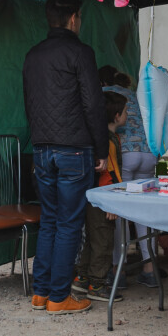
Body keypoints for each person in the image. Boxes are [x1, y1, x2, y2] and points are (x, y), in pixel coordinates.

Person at [22, 0, 107, 316]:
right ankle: (59, 297)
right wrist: (101, 149)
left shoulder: (33, 54)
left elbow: (29, 102)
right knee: (70, 224)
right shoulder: (80, 52)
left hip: (42, 149)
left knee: (50, 221)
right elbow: (93, 104)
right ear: (73, 19)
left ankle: (40, 293)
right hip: (74, 149)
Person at [98, 67, 160, 287]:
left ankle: (119, 270)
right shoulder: (134, 95)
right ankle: (150, 269)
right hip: (148, 153)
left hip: (123, 154)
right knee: (144, 212)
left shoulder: (104, 95)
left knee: (119, 212)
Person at [72, 91, 127, 303]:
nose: (128, 115)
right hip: (104, 199)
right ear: (116, 116)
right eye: (125, 111)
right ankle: (97, 285)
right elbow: (110, 174)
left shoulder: (100, 138)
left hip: (92, 196)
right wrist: (112, 203)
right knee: (103, 242)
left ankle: (82, 278)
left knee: (91, 241)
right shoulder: (108, 142)